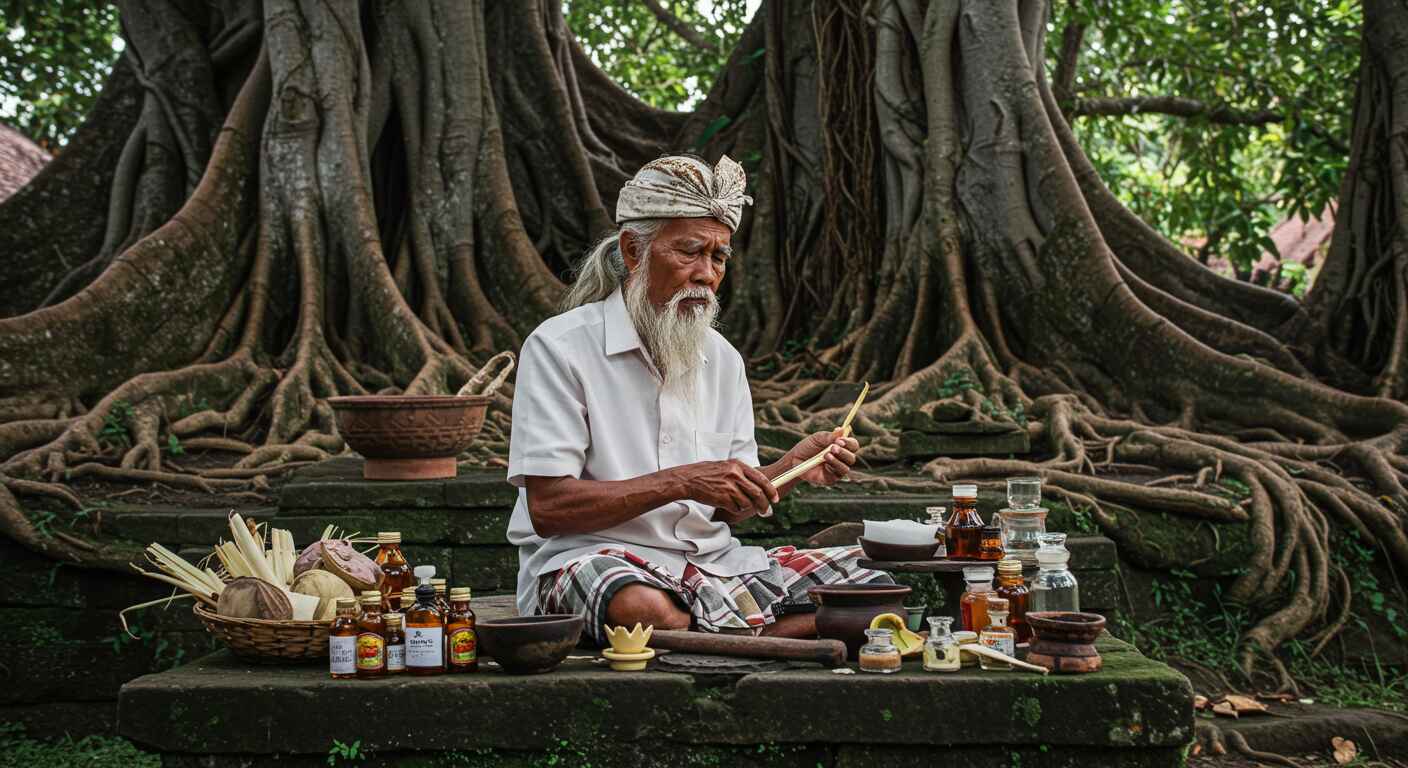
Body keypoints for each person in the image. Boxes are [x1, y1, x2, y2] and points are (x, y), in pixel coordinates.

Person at [506, 154, 890, 645]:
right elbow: (550, 508)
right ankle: (768, 632)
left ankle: (722, 634)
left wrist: (791, 468)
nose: (706, 274)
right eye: (690, 252)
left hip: (712, 568)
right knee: (641, 608)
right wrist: (683, 481)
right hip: (594, 561)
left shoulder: (723, 359)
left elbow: (726, 508)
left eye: (719, 257)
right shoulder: (560, 347)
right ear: (632, 252)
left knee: (874, 584)